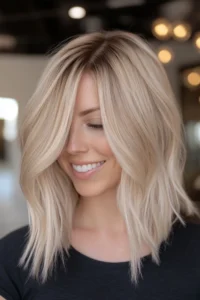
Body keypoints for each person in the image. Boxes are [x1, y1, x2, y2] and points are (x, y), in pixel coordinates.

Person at [0, 30, 200, 300]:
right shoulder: (14, 260)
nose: (71, 147)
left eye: (96, 124)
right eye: (58, 128)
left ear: (147, 127)